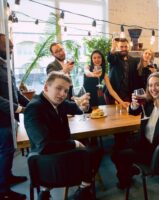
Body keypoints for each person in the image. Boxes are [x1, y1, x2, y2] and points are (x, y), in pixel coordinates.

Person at [24, 71, 102, 200]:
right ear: (46, 87)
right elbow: (45, 146)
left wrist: (84, 106)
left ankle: (45, 191)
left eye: (66, 91)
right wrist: (74, 143)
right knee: (96, 151)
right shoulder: (34, 108)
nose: (62, 94)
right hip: (48, 163)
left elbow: (76, 109)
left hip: (57, 157)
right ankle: (83, 188)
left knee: (90, 149)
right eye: (58, 88)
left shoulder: (57, 102)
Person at [111, 72, 159, 189]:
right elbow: (133, 112)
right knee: (116, 146)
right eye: (150, 85)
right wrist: (134, 104)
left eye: (157, 85)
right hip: (142, 143)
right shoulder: (148, 104)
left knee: (117, 155)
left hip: (155, 151)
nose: (153, 88)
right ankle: (129, 169)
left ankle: (125, 178)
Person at [0, 33, 28, 200]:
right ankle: (3, 191)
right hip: (2, 120)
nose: (12, 49)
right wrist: (18, 109)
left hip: (10, 118)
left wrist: (31, 104)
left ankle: (8, 176)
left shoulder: (5, 65)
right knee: (5, 151)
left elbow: (15, 92)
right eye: (8, 46)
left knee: (9, 151)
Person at [105, 38, 139, 104]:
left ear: (128, 47)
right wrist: (112, 50)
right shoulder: (115, 57)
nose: (124, 49)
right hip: (113, 95)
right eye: (121, 47)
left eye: (126, 46)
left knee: (128, 113)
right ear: (118, 47)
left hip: (127, 95)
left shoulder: (133, 60)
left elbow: (135, 78)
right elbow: (109, 58)